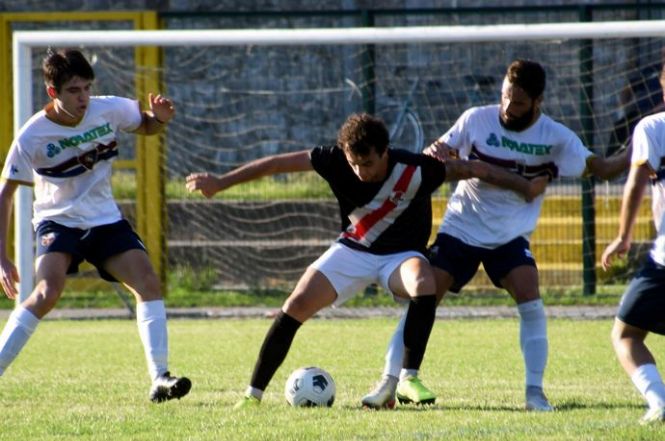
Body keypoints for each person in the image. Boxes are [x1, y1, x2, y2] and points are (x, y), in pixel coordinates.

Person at [185, 112, 547, 409]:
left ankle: (409, 379)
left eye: (368, 163)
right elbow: (278, 164)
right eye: (354, 162)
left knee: (425, 282)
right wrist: (221, 182)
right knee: (295, 304)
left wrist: (524, 185)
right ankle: (253, 395)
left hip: (401, 256)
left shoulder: (418, 168)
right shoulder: (334, 159)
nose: (361, 171)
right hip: (353, 250)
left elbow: (474, 170)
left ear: (385, 152)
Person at [362, 59, 630, 411]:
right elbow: (436, 153)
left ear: (538, 101)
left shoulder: (557, 137)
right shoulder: (477, 118)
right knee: (424, 296)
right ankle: (388, 383)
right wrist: (436, 152)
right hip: (461, 226)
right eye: (505, 97)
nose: (507, 107)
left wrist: (639, 148)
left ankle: (535, 394)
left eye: (517, 102)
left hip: (509, 236)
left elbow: (606, 169)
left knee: (530, 297)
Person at [0, 48, 191, 403]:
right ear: (53, 92)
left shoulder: (109, 108)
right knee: (47, 292)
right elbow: (5, 193)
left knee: (148, 282)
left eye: (87, 87)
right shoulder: (32, 136)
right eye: (74, 90)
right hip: (58, 221)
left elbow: (146, 124)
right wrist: (3, 257)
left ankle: (160, 378)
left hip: (105, 220)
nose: (84, 97)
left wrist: (160, 119)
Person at [601, 65, 665, 425]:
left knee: (625, 334)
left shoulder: (653, 127)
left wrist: (624, 237)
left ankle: (659, 401)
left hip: (664, 262)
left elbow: (636, 181)